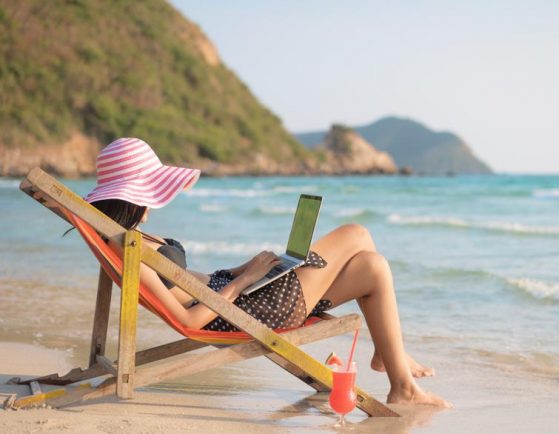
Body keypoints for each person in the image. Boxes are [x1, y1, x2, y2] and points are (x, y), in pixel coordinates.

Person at [83, 138, 451, 407]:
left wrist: (242, 269)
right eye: (148, 191)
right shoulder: (128, 248)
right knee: (358, 234)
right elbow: (188, 316)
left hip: (235, 294)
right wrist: (244, 282)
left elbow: (186, 280)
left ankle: (395, 369)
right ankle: (397, 371)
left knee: (373, 267)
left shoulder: (129, 238)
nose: (152, 203)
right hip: (242, 313)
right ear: (130, 196)